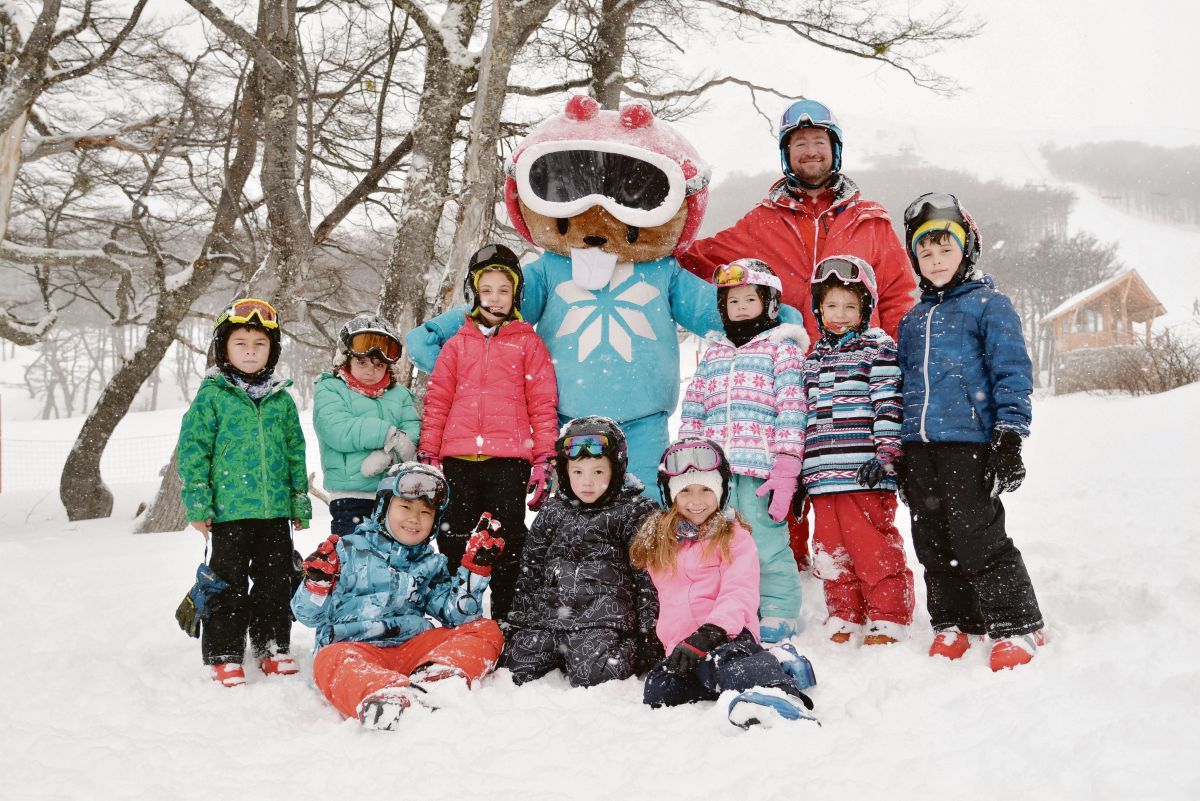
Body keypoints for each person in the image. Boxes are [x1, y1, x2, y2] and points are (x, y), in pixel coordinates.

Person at [678, 98, 918, 570]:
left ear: (836, 149)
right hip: (781, 373)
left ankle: (860, 575)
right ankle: (792, 570)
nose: (811, 152)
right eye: (800, 144)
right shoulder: (762, 221)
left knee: (848, 483)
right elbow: (695, 258)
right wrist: (642, 246)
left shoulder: (869, 220)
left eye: (819, 142)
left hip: (851, 376)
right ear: (787, 154)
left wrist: (898, 365)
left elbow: (897, 296)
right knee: (778, 475)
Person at [896, 192, 1046, 671]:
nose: (935, 260)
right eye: (925, 252)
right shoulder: (912, 319)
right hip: (920, 447)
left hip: (970, 442)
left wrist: (1009, 435)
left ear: (967, 250)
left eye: (945, 249)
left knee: (977, 535)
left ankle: (1016, 623)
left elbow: (1012, 371)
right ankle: (955, 622)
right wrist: (900, 448)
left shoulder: (989, 305)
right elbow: (902, 385)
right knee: (932, 539)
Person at [291, 463, 506, 730]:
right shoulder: (346, 551)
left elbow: (458, 617)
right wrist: (317, 584)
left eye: (425, 513)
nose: (414, 519)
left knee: (486, 630)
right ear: (383, 508)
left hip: (411, 648)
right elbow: (307, 616)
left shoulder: (430, 562)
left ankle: (439, 677)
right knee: (330, 660)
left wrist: (474, 572)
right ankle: (384, 696)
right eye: (405, 507)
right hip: (354, 647)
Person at [630, 438, 818, 729]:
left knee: (730, 663)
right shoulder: (660, 544)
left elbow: (739, 592)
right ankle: (771, 665)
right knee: (659, 690)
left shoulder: (734, 537)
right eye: (686, 491)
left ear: (721, 492)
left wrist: (711, 633)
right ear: (670, 496)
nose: (696, 501)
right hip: (682, 648)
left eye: (706, 490)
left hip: (727, 636)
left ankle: (779, 695)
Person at [417, 244, 559, 623]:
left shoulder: (528, 343)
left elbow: (542, 405)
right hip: (458, 461)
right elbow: (438, 402)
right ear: (474, 293)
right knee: (454, 539)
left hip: (509, 460)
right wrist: (430, 453)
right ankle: (458, 618)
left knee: (507, 540)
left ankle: (508, 618)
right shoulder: (456, 345)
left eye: (503, 290)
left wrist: (545, 457)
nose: (495, 298)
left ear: (515, 295)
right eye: (487, 290)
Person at [177, 297, 311, 687]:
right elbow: (193, 451)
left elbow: (294, 451)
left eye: (259, 344)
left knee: (275, 582)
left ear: (272, 351)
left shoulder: (281, 399)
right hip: (229, 512)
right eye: (241, 344)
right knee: (229, 584)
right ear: (224, 349)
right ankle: (224, 653)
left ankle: (271, 646)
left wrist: (298, 501)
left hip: (273, 514)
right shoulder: (213, 396)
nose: (251, 352)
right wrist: (198, 504)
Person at [678, 258, 807, 642]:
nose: (739, 308)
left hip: (760, 469)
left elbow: (792, 407)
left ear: (768, 304)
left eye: (748, 299)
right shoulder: (714, 354)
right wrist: (687, 460)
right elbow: (694, 407)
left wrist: (786, 464)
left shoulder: (782, 351)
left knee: (764, 540)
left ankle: (779, 608)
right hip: (714, 472)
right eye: (732, 302)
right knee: (716, 542)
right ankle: (727, 607)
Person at [801, 255, 914, 646]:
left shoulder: (877, 349)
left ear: (865, 309)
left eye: (851, 306)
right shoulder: (812, 359)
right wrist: (802, 471)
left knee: (872, 547)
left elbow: (888, 404)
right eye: (832, 305)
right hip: (822, 475)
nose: (841, 314)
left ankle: (888, 615)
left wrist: (885, 454)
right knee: (829, 551)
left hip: (863, 470)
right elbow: (806, 415)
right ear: (819, 308)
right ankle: (844, 613)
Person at [502, 417, 661, 686]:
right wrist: (520, 620)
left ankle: (621, 651)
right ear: (565, 472)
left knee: (594, 675)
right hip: (550, 617)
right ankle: (562, 652)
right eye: (578, 472)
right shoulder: (553, 511)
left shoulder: (634, 511)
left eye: (598, 472)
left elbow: (648, 579)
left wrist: (648, 632)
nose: (587, 482)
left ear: (616, 470)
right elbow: (531, 569)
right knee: (514, 668)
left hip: (603, 619)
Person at [313, 313, 420, 537]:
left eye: (379, 364)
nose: (371, 370)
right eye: (362, 362)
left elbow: (413, 429)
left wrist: (389, 454)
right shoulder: (331, 389)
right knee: (355, 559)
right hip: (351, 496)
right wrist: (388, 434)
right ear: (346, 360)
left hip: (395, 495)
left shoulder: (399, 395)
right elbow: (336, 428)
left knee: (392, 561)